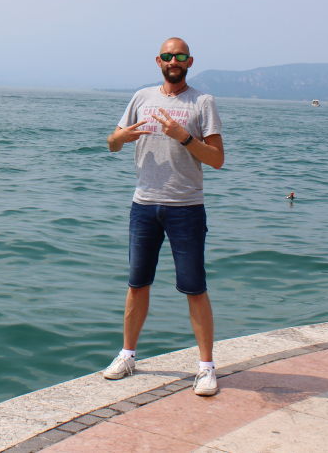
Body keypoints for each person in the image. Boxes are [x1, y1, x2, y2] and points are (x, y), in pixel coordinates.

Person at [103, 37, 225, 396]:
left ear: (189, 62)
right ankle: (127, 355)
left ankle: (206, 367)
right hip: (144, 205)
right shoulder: (141, 97)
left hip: (186, 207)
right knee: (137, 284)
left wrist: (183, 137)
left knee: (195, 288)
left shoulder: (203, 102)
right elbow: (111, 143)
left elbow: (217, 159)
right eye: (168, 56)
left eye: (180, 56)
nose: (174, 61)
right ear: (159, 61)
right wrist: (120, 138)